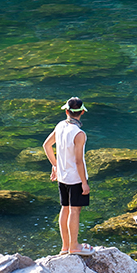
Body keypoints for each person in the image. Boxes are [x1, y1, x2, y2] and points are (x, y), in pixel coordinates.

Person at [43, 97, 93, 256]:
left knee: (64, 208)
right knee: (75, 211)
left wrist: (56, 166)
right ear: (82, 112)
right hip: (75, 178)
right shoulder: (79, 134)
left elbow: (46, 146)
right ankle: (75, 246)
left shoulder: (60, 126)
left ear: (66, 111)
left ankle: (65, 247)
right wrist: (84, 183)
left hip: (63, 177)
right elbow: (78, 161)